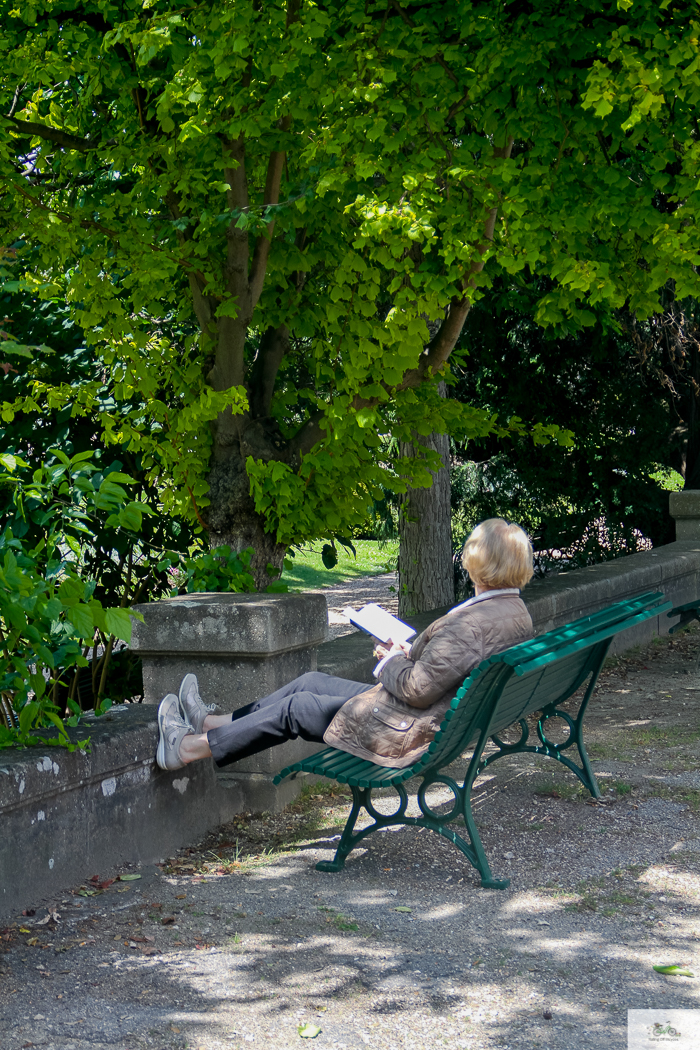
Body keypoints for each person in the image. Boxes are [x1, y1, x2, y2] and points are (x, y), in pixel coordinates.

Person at [155, 518, 534, 773]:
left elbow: (417, 689)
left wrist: (391, 659)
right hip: (427, 720)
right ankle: (210, 724)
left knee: (297, 709)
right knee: (310, 682)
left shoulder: (472, 624)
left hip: (405, 731)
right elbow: (443, 672)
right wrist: (407, 656)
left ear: (477, 563)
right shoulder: (514, 612)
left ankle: (186, 749)